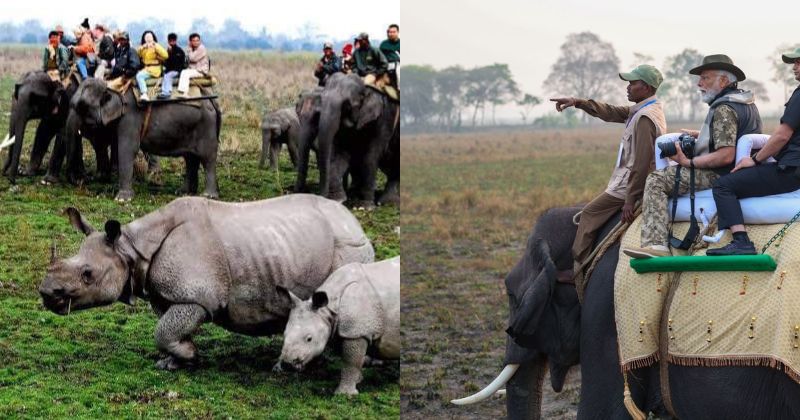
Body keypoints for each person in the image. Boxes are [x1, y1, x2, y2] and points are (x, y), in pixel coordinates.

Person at [623, 55, 763, 259]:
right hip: (739, 170)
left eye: (705, 78)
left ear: (723, 81)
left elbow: (725, 155)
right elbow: (732, 137)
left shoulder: (724, 108)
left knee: (656, 179)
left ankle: (656, 246)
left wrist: (689, 162)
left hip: (720, 172)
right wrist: (703, 136)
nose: (699, 84)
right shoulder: (745, 101)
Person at [551, 65, 667, 280]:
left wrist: (630, 200)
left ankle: (578, 271)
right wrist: (578, 102)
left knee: (589, 213)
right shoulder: (643, 110)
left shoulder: (644, 118)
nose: (628, 87)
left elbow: (641, 164)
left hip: (629, 185)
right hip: (628, 181)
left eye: (633, 83)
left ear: (647, 87)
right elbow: (611, 112)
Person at [705, 48, 800, 255]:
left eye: (799, 63)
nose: (794, 67)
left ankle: (741, 241)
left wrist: (755, 159)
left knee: (723, 185)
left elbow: (782, 135)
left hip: (792, 170)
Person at [135, 30, 168, 101]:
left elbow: (165, 55)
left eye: (150, 36)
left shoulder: (156, 45)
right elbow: (137, 55)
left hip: (155, 68)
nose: (148, 38)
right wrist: (143, 47)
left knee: (139, 76)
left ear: (153, 38)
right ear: (144, 38)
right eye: (146, 37)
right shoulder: (144, 47)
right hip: (146, 68)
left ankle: (144, 93)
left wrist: (155, 45)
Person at [177, 33, 209, 97]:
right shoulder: (192, 49)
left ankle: (185, 93)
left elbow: (192, 58)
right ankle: (180, 92)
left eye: (197, 40)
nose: (196, 42)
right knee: (181, 71)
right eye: (194, 41)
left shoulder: (201, 48)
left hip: (200, 70)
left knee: (185, 73)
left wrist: (189, 48)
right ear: (190, 42)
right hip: (194, 69)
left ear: (200, 41)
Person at [158, 33, 187, 99]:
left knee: (168, 75)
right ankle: (165, 90)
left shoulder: (179, 51)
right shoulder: (167, 51)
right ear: (168, 41)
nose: (172, 43)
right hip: (170, 70)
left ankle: (167, 92)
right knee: (165, 75)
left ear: (175, 41)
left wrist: (171, 54)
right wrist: (162, 61)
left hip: (177, 70)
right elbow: (167, 63)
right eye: (170, 41)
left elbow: (176, 63)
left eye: (173, 41)